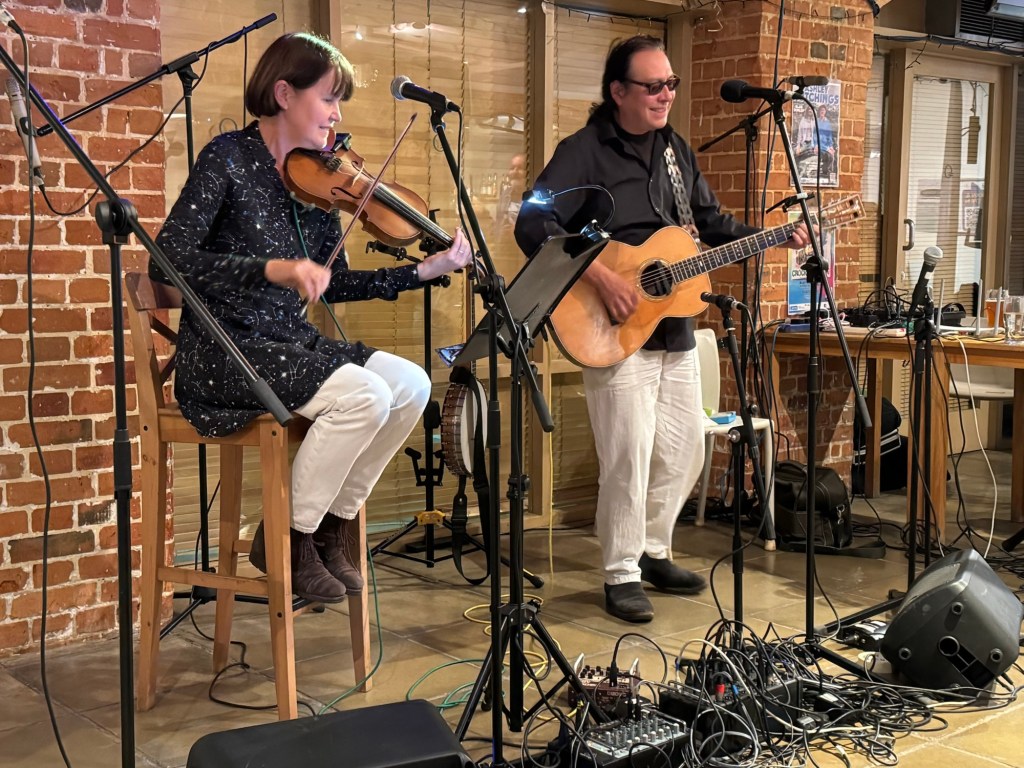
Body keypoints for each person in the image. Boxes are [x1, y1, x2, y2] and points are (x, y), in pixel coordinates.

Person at [155, 32, 473, 603]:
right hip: (226, 351)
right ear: (284, 93)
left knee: (411, 385)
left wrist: (423, 271)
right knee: (364, 396)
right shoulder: (227, 159)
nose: (336, 114)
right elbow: (168, 260)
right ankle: (288, 537)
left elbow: (335, 282)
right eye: (328, 98)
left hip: (288, 343)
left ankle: (330, 527)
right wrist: (271, 269)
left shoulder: (317, 185)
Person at [514, 35, 808, 623]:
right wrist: (601, 275)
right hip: (610, 327)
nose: (665, 95)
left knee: (683, 449)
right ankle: (621, 572)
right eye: (653, 86)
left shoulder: (675, 151)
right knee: (629, 456)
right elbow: (532, 220)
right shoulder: (584, 150)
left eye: (670, 83)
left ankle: (653, 550)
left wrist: (773, 236)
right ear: (618, 91)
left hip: (673, 327)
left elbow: (708, 221)